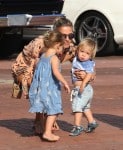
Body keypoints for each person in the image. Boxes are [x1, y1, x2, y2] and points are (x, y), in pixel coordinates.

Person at [11, 16, 87, 134]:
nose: (67, 39)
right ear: (55, 34)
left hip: (44, 70)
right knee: (42, 84)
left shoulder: (71, 48)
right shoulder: (42, 45)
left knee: (52, 84)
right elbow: (38, 74)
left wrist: (87, 75)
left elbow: (89, 65)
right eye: (63, 36)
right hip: (25, 68)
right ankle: (39, 119)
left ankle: (47, 117)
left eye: (70, 35)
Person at [28, 30, 70, 142]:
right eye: (62, 47)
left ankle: (41, 128)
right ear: (57, 45)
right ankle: (47, 133)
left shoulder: (42, 57)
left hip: (40, 89)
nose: (62, 50)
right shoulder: (54, 58)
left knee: (44, 110)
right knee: (54, 110)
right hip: (50, 89)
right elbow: (56, 72)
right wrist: (65, 82)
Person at [69, 38, 98, 136]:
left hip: (83, 88)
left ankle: (77, 126)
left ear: (91, 55)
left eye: (87, 53)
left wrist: (83, 84)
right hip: (85, 89)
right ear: (78, 50)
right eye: (82, 51)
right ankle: (91, 122)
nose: (83, 55)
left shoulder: (88, 63)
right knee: (85, 107)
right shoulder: (76, 59)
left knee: (77, 107)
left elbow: (90, 74)